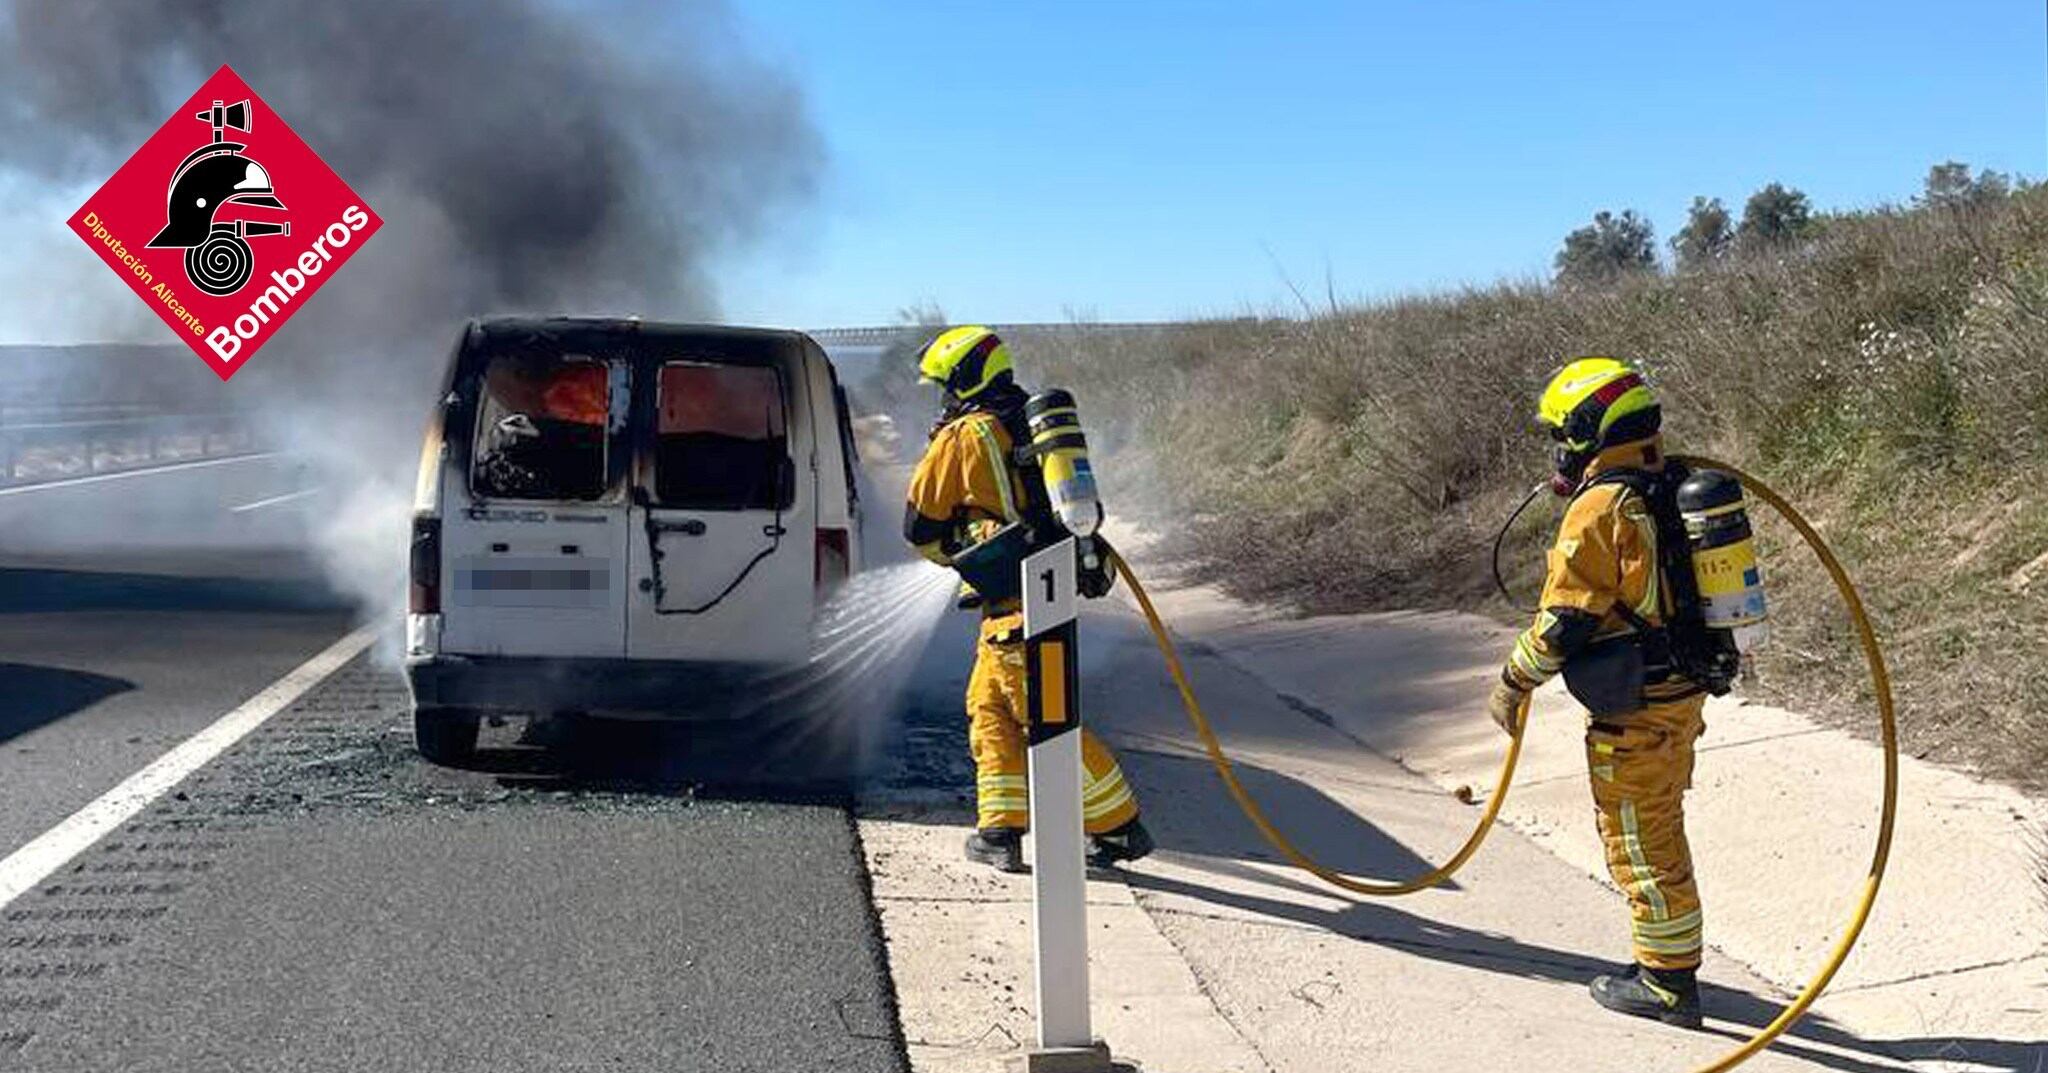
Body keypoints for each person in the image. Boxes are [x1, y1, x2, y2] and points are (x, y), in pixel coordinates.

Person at [1486, 357, 1709, 1029]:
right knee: (1658, 826)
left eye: (1563, 434)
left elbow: (1564, 621)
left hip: (1638, 709)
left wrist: (1513, 681)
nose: (1560, 449)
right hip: (1679, 693)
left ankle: (1667, 983)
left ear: (1589, 430)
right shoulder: (1668, 485)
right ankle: (1665, 961)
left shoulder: (1599, 506)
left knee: (1639, 840)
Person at [903, 325, 1154, 874]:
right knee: (989, 708)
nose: (942, 398)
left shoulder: (964, 435)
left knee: (1045, 718)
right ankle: (999, 830)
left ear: (962, 379)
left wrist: (964, 551)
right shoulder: (1027, 424)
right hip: (1034, 594)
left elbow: (920, 525)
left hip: (1016, 600)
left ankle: (1118, 826)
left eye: (944, 386)